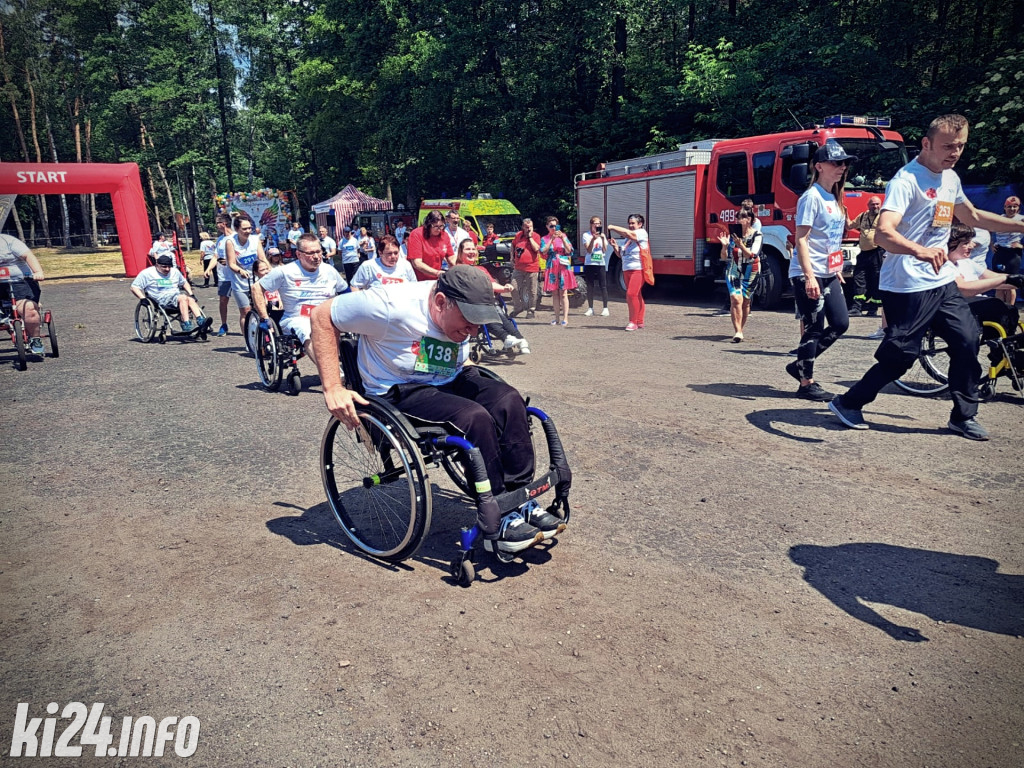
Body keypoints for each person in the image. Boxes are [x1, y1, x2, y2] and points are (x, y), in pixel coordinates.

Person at [309, 265, 561, 554]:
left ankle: (520, 498)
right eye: (468, 322)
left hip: (449, 376)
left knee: (508, 400)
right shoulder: (389, 306)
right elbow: (321, 315)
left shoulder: (460, 301)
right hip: (401, 388)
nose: (474, 331)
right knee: (473, 418)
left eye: (479, 323)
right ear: (440, 302)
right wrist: (332, 387)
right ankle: (499, 514)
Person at [828, 114, 1024, 440]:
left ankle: (963, 416)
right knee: (902, 356)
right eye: (948, 146)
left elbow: (972, 216)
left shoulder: (950, 178)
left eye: (960, 146)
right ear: (926, 143)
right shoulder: (906, 181)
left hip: (941, 280)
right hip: (906, 284)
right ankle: (849, 402)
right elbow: (883, 235)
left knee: (967, 338)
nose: (954, 153)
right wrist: (919, 250)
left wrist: (1019, 225)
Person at [784, 139, 854, 401]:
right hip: (807, 273)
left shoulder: (835, 197)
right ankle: (806, 382)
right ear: (819, 166)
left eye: (844, 163)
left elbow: (831, 239)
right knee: (813, 328)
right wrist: (810, 276)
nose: (842, 167)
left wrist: (835, 268)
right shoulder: (811, 197)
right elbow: (801, 239)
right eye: (836, 163)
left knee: (841, 323)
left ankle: (799, 364)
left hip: (827, 271)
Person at [252, 232, 347, 367]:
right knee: (307, 330)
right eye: (310, 253)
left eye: (318, 252)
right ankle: (333, 372)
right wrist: (264, 317)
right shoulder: (285, 272)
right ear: (299, 254)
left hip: (327, 315)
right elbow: (257, 288)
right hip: (298, 318)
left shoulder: (329, 270)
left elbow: (346, 292)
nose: (316, 257)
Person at [454, 238, 528, 353]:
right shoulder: (457, 270)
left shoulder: (481, 269)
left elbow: (492, 284)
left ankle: (520, 339)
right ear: (460, 253)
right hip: (470, 306)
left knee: (500, 315)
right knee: (487, 313)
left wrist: (504, 288)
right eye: (468, 249)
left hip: (489, 302)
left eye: (473, 249)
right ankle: (506, 337)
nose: (471, 251)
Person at [947, 223, 1022, 333]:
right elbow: (964, 290)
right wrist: (1004, 279)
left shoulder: (967, 262)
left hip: (973, 305)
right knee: (996, 306)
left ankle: (1001, 347)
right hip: (956, 307)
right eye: (966, 243)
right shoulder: (944, 265)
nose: (972, 246)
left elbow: (994, 277)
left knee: (1010, 310)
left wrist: (1019, 279)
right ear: (952, 244)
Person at [130, 254, 211, 333]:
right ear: (157, 265)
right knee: (183, 297)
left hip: (175, 296)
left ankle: (200, 320)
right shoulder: (147, 273)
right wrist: (143, 298)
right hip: (159, 299)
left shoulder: (175, 272)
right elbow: (134, 287)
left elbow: (184, 283)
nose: (167, 269)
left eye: (169, 267)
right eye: (164, 267)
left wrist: (191, 294)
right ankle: (186, 324)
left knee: (190, 299)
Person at [716, 209, 762, 342]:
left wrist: (740, 244)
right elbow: (724, 258)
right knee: (736, 299)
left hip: (751, 271)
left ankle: (741, 329)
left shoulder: (757, 235)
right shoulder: (733, 236)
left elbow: (752, 255)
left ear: (750, 220)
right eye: (738, 217)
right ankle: (737, 331)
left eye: (743, 217)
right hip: (734, 270)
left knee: (746, 301)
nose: (739, 220)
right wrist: (724, 247)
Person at [0, 232, 46, 354]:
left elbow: (28, 256)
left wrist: (37, 272)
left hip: (20, 281)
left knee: (29, 310)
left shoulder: (8, 241)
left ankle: (35, 339)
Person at [226, 215, 270, 334]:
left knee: (262, 308)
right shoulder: (230, 242)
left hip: (256, 279)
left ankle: (262, 336)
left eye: (249, 228)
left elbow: (262, 258)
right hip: (240, 282)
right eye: (244, 229)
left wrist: (271, 271)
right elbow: (231, 263)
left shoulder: (255, 240)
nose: (248, 231)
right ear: (236, 229)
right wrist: (240, 271)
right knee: (246, 311)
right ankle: (247, 339)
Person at [607, 214, 649, 331]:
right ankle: (640, 321)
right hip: (626, 269)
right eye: (629, 223)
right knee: (637, 294)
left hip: (638, 269)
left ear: (640, 224)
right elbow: (621, 255)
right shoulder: (627, 240)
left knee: (631, 294)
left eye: (633, 223)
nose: (630, 225)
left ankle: (633, 322)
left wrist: (613, 227)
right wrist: (615, 247)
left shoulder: (641, 233)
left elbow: (628, 233)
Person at [849, 196, 884, 316]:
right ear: (868, 205)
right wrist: (843, 214)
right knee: (859, 278)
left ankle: (873, 308)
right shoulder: (863, 216)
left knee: (876, 280)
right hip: (863, 253)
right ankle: (856, 308)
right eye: (873, 204)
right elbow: (850, 225)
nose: (875, 207)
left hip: (877, 252)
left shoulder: (884, 217)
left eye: (877, 204)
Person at [541, 216, 576, 326]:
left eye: (556, 226)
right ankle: (556, 318)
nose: (554, 228)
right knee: (555, 293)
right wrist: (551, 239)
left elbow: (570, 251)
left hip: (563, 266)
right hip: (552, 266)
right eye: (551, 226)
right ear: (547, 227)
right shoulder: (544, 239)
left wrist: (562, 239)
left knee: (564, 293)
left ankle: (565, 318)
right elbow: (543, 252)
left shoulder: (564, 236)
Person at [350, 235, 417, 290]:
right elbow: (354, 286)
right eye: (389, 253)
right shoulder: (368, 266)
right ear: (380, 253)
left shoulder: (406, 265)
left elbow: (414, 287)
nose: (393, 256)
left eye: (396, 253)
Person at [990, 196, 1023, 306]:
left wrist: (1021, 246)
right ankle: (999, 311)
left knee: (1010, 284)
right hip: (1000, 252)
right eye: (1009, 206)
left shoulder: (1021, 219)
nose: (1012, 209)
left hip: (1013, 254)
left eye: (1015, 206)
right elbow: (988, 229)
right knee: (998, 283)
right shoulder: (999, 218)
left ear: (1018, 208)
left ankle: (1010, 311)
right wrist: (991, 244)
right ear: (1004, 207)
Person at [407, 210, 454, 281]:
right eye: (436, 226)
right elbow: (417, 263)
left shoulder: (444, 235)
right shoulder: (416, 234)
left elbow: (451, 258)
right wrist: (437, 273)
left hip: (436, 279)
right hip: (418, 280)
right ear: (428, 225)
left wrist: (461, 267)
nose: (439, 229)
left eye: (441, 226)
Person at [581, 216, 613, 317]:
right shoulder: (586, 235)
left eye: (599, 223)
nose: (597, 225)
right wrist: (593, 239)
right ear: (591, 224)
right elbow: (589, 250)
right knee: (590, 285)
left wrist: (603, 239)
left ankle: (605, 308)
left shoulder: (602, 235)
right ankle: (590, 308)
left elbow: (604, 250)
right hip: (590, 263)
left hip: (600, 262)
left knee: (603, 285)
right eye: (595, 223)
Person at [510, 218, 541, 318]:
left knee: (532, 290)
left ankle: (531, 310)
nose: (528, 229)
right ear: (523, 227)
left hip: (532, 268)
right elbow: (513, 244)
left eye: (530, 227)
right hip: (518, 268)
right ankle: (518, 307)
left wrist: (530, 237)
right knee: (513, 287)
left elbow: (536, 249)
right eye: (526, 227)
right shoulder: (518, 235)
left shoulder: (536, 236)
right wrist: (511, 256)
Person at [207, 214, 233, 335]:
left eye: (218, 223)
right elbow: (216, 256)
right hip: (224, 276)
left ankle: (249, 325)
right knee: (223, 300)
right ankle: (223, 324)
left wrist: (229, 262)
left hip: (237, 275)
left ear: (224, 224)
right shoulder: (220, 239)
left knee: (245, 303)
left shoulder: (236, 238)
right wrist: (208, 269)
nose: (216, 225)